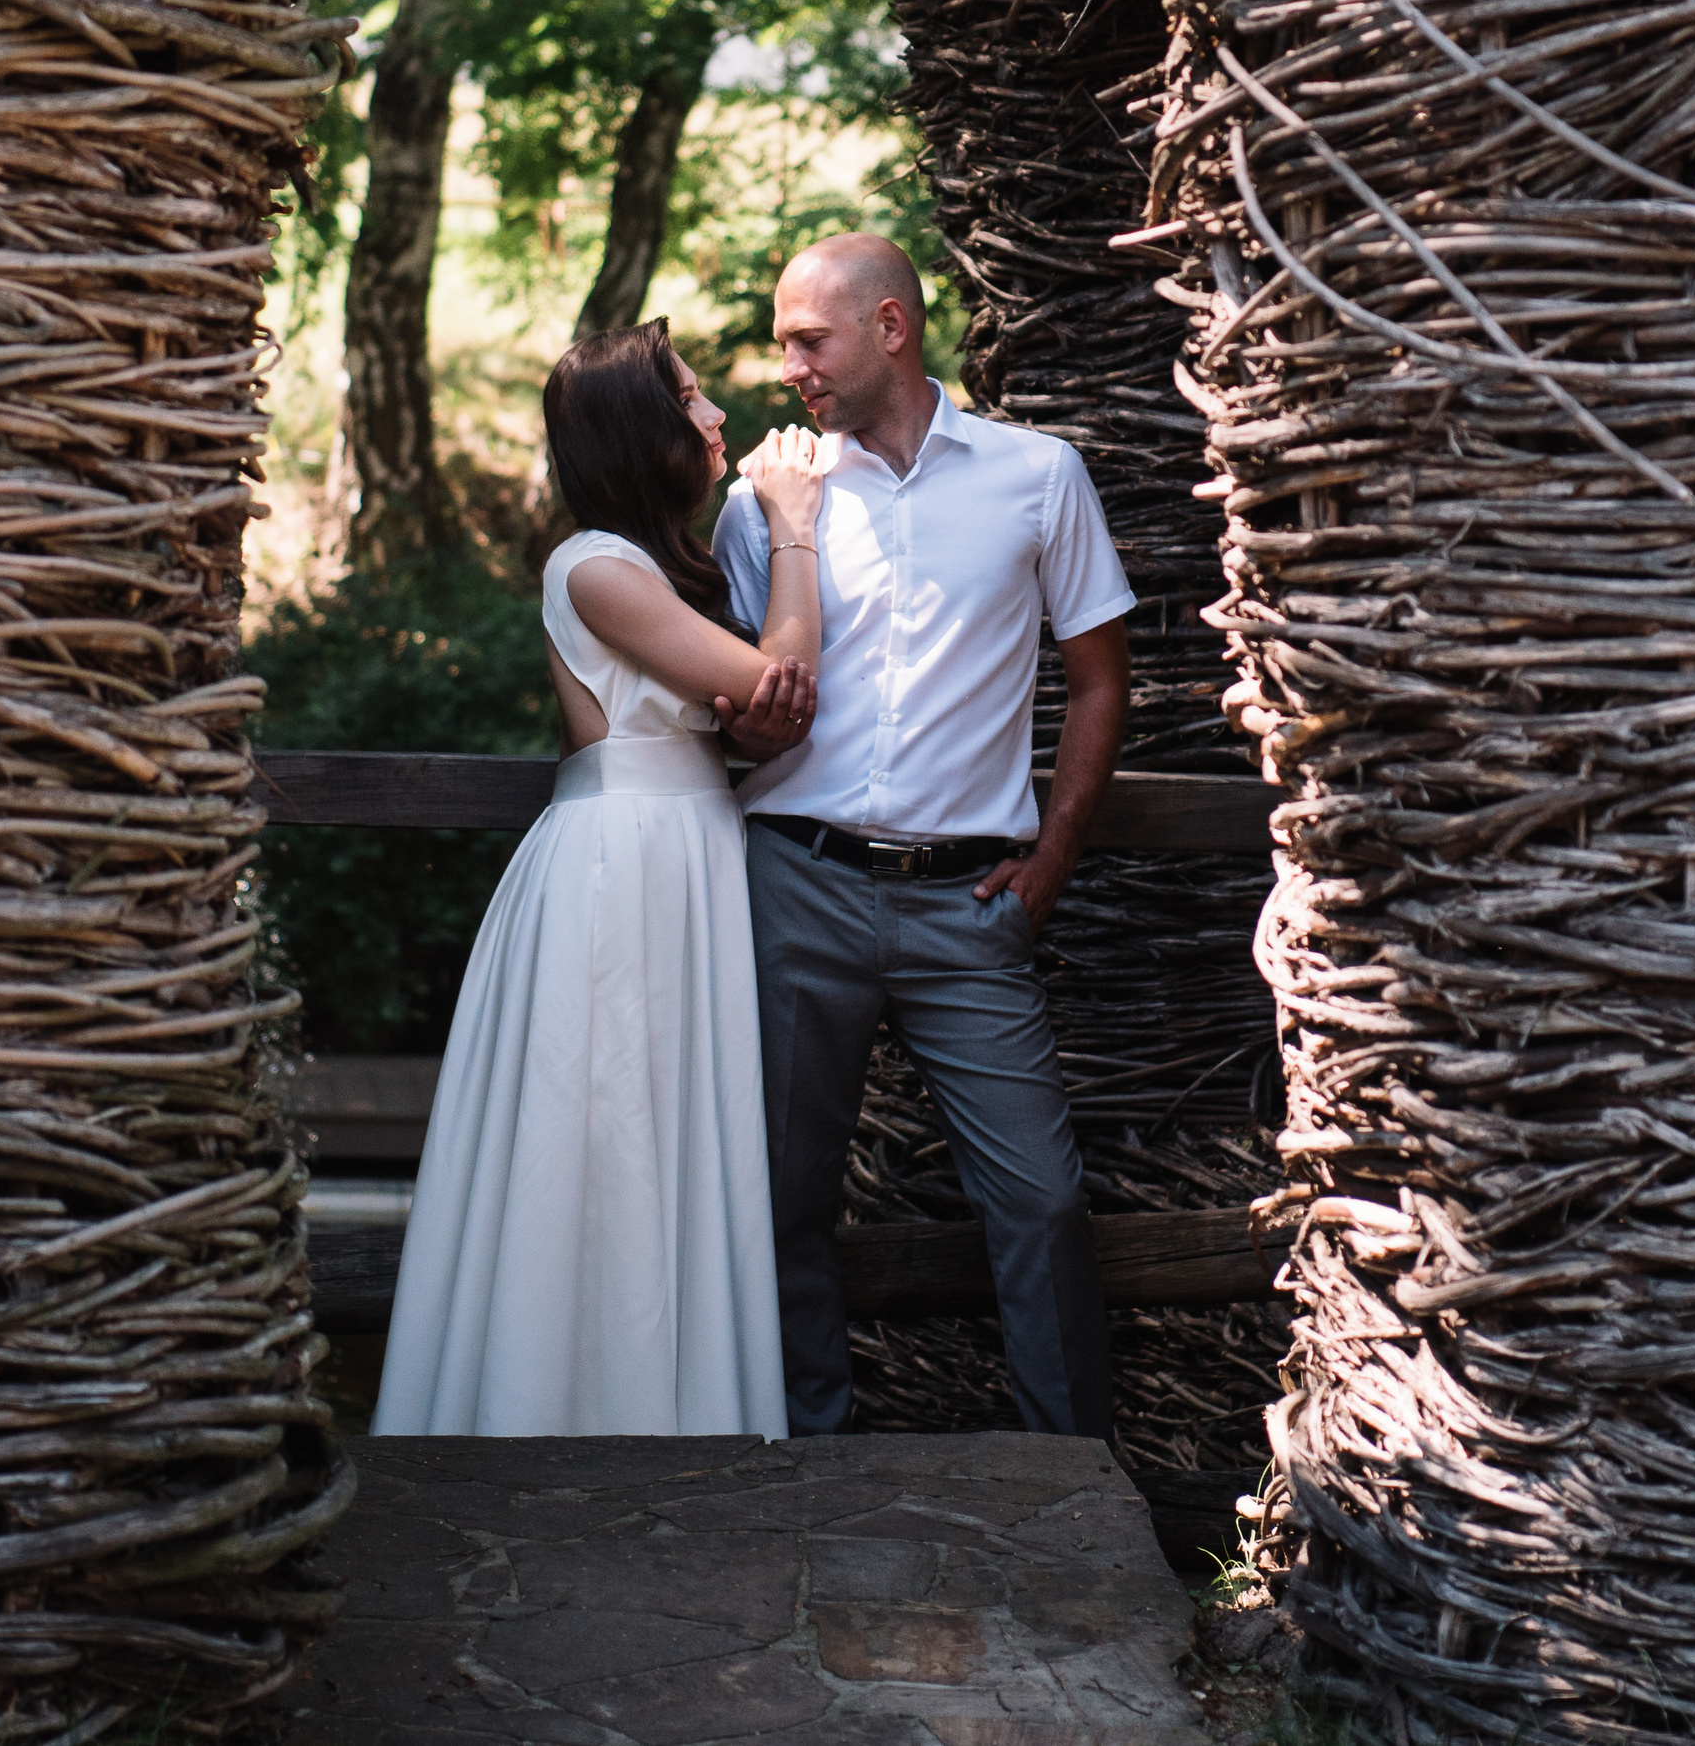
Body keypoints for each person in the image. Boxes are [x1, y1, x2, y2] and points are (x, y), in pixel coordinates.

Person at [712, 234, 1136, 1441]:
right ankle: (809, 1451)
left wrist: (1050, 860)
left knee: (1042, 1201)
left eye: (808, 337)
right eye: (783, 338)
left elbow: (1100, 678)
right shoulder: (770, 498)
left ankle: (1070, 1478)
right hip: (795, 882)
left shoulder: (1037, 475)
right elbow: (739, 703)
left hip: (970, 907)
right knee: (782, 1197)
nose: (786, 362)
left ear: (889, 327)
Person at [370, 319, 823, 1438]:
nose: (717, 413)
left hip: (687, 853)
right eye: (691, 396)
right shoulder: (594, 567)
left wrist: (756, 715)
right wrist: (798, 529)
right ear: (639, 430)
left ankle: (679, 1408)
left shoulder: (666, 569)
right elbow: (779, 676)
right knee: (605, 1126)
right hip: (620, 871)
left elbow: (762, 719)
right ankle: (561, 1410)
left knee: (671, 1126)